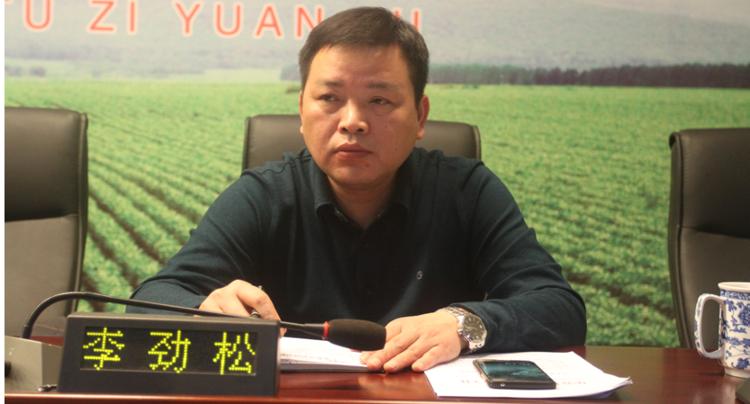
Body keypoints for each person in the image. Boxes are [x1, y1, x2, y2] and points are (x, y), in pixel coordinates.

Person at [129, 6, 586, 372]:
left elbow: (559, 307)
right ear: (302, 112)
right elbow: (153, 300)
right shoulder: (264, 195)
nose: (352, 121)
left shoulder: (466, 191)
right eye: (330, 98)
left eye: (379, 100)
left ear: (421, 116)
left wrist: (466, 324)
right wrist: (204, 308)